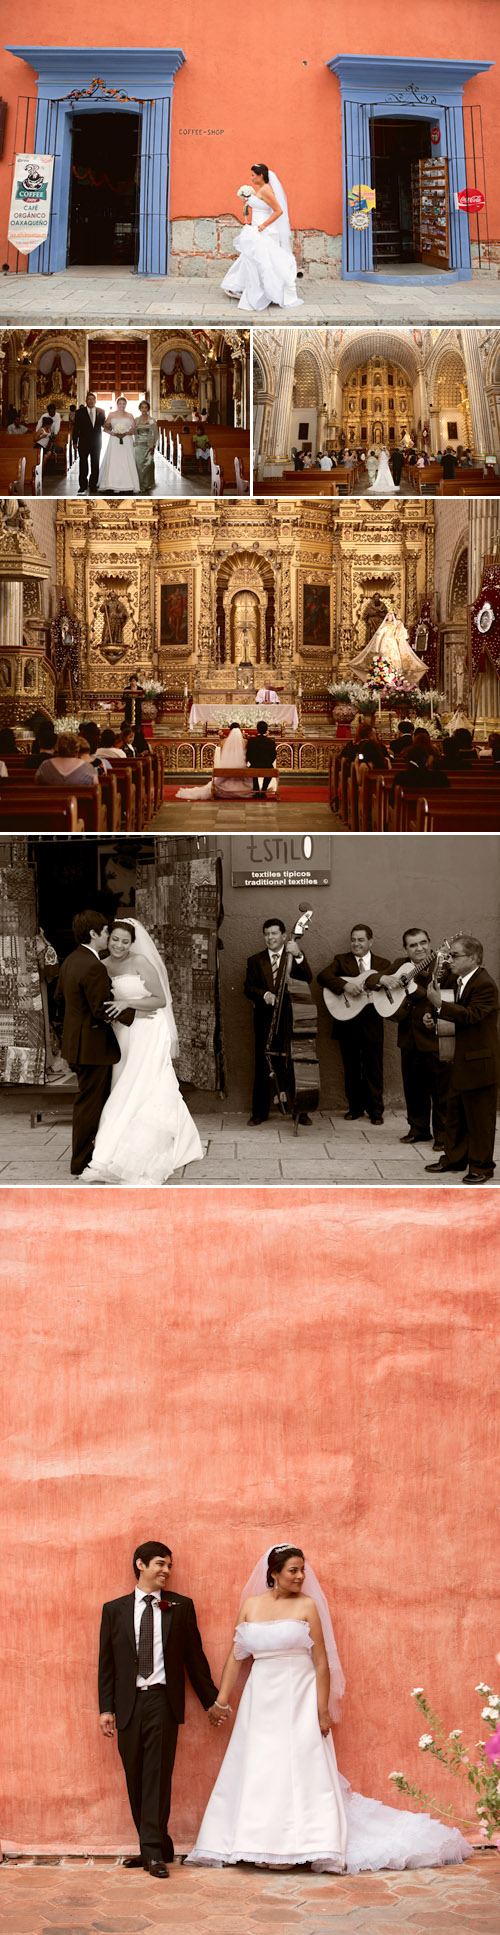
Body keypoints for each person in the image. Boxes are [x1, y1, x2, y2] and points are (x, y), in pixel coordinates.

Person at [187, 1542, 471, 1873]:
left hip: (299, 1695)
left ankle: (306, 1843)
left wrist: (321, 1710)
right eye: (293, 1570)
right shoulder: (250, 1606)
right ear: (274, 1574)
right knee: (260, 1765)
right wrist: (221, 1701)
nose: (300, 1576)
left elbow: (321, 1663)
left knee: (301, 1766)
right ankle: (259, 1843)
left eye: (302, 1569)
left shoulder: (307, 1606)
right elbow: (236, 1659)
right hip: (260, 1698)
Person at [98, 1539, 219, 1879]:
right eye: (160, 1564)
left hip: (162, 1701)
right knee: (135, 1776)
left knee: (156, 1776)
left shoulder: (180, 1606)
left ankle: (151, 1853)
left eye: (169, 1566)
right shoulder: (114, 1609)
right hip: (128, 1703)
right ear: (141, 1564)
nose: (166, 1570)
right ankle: (156, 1845)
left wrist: (212, 1701)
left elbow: (194, 1659)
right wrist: (106, 1708)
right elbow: (106, 1664)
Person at [81, 917, 204, 1185]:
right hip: (123, 1033)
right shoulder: (101, 966)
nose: (119, 946)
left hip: (148, 1031)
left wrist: (128, 1003)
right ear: (107, 937)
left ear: (133, 944)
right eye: (115, 939)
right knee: (123, 1082)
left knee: (143, 1084)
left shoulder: (140, 962)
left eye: (126, 942)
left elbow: (160, 1000)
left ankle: (145, 1151)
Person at [55, 910, 134, 1177]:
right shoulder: (93, 966)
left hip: (77, 1044)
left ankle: (86, 1153)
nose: (108, 936)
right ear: (93, 934)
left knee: (86, 1102)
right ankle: (81, 1160)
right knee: (90, 1104)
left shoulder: (70, 961)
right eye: (105, 931)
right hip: (92, 1048)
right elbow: (101, 1008)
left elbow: (60, 998)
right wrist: (134, 1014)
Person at [425, 935, 500, 1185]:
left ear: (474, 958)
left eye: (454, 956)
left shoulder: (485, 984)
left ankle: (482, 1166)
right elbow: (454, 1015)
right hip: (462, 1058)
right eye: (449, 956)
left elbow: (472, 1016)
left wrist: (439, 1005)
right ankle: (455, 1158)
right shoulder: (459, 981)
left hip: (480, 1061)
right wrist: (435, 1016)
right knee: (456, 1114)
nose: (449, 960)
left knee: (480, 1118)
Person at [384, 927, 453, 1149]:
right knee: (413, 1087)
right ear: (405, 949)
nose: (419, 948)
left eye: (423, 943)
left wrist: (424, 999)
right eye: (413, 945)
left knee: (440, 1089)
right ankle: (418, 1129)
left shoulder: (443, 966)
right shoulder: (399, 965)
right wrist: (384, 979)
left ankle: (443, 1136)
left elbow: (447, 997)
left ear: (431, 943)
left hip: (435, 1035)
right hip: (409, 1037)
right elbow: (373, 980)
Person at [317, 923, 390, 1124]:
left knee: (373, 1068)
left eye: (361, 940)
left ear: (370, 941)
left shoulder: (383, 964)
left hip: (372, 1022)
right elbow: (323, 977)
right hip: (347, 1021)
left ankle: (376, 1111)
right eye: (353, 940)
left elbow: (389, 989)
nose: (356, 943)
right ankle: (355, 1108)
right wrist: (345, 985)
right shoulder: (342, 961)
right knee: (351, 1068)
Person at [244, 918, 313, 1125]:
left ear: (284, 936)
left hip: (291, 1019)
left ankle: (300, 1111)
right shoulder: (255, 960)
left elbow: (307, 978)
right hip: (265, 1020)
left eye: (274, 933)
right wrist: (265, 994)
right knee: (263, 1064)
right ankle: (259, 1112)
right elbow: (248, 988)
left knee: (294, 1064)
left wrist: (299, 954)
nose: (270, 938)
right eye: (266, 934)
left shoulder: (293, 956)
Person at [221, 162, 302, 312]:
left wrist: (263, 225)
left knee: (265, 260)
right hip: (257, 228)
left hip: (265, 230)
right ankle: (242, 285)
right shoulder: (260, 190)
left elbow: (278, 211)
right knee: (252, 257)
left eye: (253, 175)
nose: (251, 178)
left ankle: (265, 291)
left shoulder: (266, 190)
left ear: (260, 176)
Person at [176, 724, 256, 801]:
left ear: (230, 731)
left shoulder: (224, 741)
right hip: (241, 770)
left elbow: (222, 756)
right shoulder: (245, 741)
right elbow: (246, 757)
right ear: (240, 731)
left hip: (227, 769)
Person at [99, 397, 140, 494]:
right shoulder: (111, 414)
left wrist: (126, 433)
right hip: (114, 440)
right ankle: (112, 483)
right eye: (120, 403)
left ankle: (128, 483)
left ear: (126, 405)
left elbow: (134, 430)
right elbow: (105, 428)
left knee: (126, 460)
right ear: (117, 404)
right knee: (114, 460)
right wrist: (114, 433)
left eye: (123, 403)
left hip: (126, 440)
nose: (122, 405)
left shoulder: (130, 415)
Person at [73, 391, 106, 494]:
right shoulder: (79, 412)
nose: (91, 401)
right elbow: (75, 428)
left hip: (96, 442)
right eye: (89, 399)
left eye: (93, 399)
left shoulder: (101, 412)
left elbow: (104, 425)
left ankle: (93, 485)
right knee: (83, 464)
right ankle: (82, 485)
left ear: (95, 401)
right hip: (83, 442)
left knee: (95, 464)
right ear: (86, 401)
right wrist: (75, 442)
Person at [134, 399, 158, 495]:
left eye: (146, 407)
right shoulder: (136, 420)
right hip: (139, 446)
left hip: (149, 445)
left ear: (148, 409)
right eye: (142, 407)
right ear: (140, 408)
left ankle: (148, 483)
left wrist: (153, 445)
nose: (144, 409)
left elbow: (155, 433)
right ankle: (139, 484)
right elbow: (133, 433)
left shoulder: (152, 420)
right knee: (139, 465)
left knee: (149, 464)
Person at [246, 719, 277, 793]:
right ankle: (263, 789)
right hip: (267, 765)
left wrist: (253, 762)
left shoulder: (251, 741)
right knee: (271, 769)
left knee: (252, 769)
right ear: (266, 730)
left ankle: (256, 789)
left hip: (254, 765)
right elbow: (274, 755)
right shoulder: (271, 742)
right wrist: (268, 762)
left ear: (257, 729)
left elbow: (248, 754)